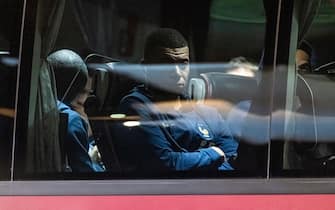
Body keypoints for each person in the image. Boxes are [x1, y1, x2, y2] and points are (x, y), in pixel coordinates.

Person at [116, 28, 238, 174]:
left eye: (182, 64)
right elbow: (165, 163)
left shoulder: (207, 112)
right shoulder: (136, 106)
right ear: (146, 67)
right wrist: (213, 154)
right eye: (166, 64)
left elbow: (233, 159)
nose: (177, 73)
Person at [47, 49, 104, 172]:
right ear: (75, 89)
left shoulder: (37, 105)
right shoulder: (71, 120)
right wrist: (93, 161)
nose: (83, 100)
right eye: (81, 91)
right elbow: (86, 177)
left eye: (88, 93)